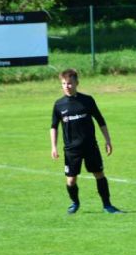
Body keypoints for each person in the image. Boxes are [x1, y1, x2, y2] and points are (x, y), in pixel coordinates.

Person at [50, 69, 123, 214]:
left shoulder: (87, 100)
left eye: (69, 83)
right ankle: (75, 203)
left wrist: (108, 140)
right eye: (64, 83)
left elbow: (100, 120)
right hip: (71, 149)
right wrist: (54, 147)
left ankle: (107, 205)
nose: (66, 86)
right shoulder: (59, 104)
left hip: (90, 146)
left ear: (77, 83)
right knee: (71, 180)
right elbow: (54, 126)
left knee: (99, 174)